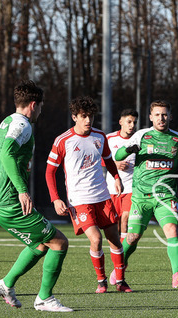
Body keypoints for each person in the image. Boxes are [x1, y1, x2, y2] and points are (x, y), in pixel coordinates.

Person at [0, 80, 72, 312]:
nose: (41, 111)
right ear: (33, 104)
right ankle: (44, 299)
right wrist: (21, 190)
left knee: (40, 245)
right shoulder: (23, 125)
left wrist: (0, 184)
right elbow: (6, 154)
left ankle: (6, 284)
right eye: (41, 106)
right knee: (59, 243)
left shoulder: (6, 122)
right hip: (10, 203)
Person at [45, 96, 132, 293]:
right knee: (96, 239)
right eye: (83, 116)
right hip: (79, 200)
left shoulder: (99, 136)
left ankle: (120, 281)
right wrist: (56, 198)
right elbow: (50, 171)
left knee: (114, 238)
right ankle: (101, 281)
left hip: (102, 197)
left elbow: (108, 160)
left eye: (91, 116)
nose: (88, 120)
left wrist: (116, 177)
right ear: (74, 117)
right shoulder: (63, 140)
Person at [113, 100, 178, 288]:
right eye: (157, 115)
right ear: (150, 117)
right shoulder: (141, 136)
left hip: (165, 196)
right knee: (132, 237)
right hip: (141, 197)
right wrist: (128, 149)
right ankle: (118, 269)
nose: (161, 118)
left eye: (164, 114)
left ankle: (176, 274)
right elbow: (117, 156)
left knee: (172, 230)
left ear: (170, 116)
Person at [105, 108, 139, 242]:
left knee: (126, 219)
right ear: (120, 122)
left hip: (131, 187)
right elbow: (98, 158)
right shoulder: (109, 138)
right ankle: (117, 249)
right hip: (113, 188)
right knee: (115, 224)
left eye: (134, 122)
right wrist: (115, 164)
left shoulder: (139, 139)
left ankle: (123, 250)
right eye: (129, 122)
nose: (132, 125)